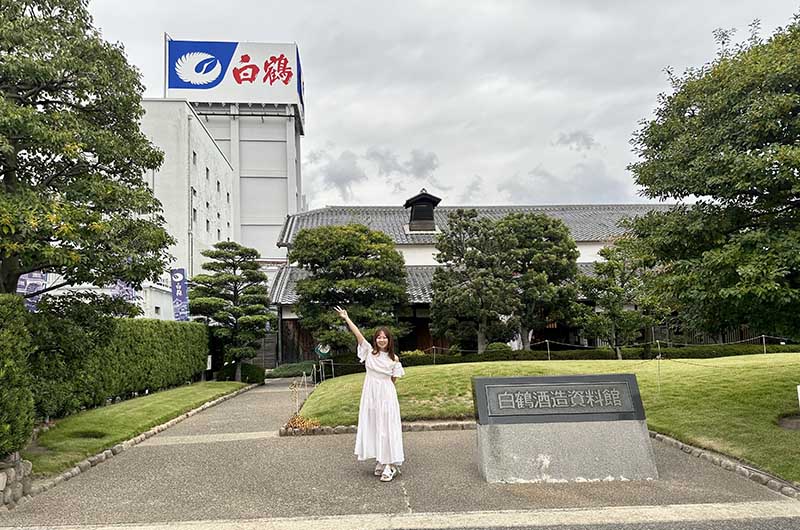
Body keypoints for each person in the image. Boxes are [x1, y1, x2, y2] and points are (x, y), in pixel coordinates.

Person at [335, 306, 405, 482]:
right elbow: (358, 335)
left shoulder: (394, 359)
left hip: (387, 395)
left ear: (389, 340)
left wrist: (384, 391)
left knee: (387, 427)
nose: (382, 340)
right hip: (370, 395)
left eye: (385, 337)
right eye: (379, 337)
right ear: (375, 339)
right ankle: (381, 460)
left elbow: (393, 380)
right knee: (374, 425)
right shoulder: (368, 352)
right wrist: (346, 318)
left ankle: (390, 464)